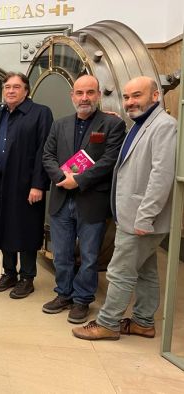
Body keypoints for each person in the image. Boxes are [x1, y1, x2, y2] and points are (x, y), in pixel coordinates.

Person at [73, 76, 177, 340]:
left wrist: (145, 217)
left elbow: (161, 177)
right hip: (134, 216)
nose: (130, 102)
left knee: (119, 271)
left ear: (155, 96)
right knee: (146, 272)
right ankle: (143, 321)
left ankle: (108, 323)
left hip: (140, 219)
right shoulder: (140, 125)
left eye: (137, 96)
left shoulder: (165, 126)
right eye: (127, 97)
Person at [41, 75, 126, 324]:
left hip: (91, 201)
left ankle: (82, 299)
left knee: (89, 256)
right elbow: (47, 155)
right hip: (61, 199)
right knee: (62, 254)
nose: (84, 98)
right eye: (79, 93)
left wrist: (79, 180)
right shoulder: (59, 124)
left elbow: (109, 160)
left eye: (90, 92)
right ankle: (64, 294)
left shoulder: (112, 125)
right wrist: (62, 177)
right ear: (72, 96)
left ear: (98, 95)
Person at [0, 72, 53, 299]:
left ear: (26, 90)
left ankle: (27, 277)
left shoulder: (40, 113)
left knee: (26, 229)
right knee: (4, 227)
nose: (11, 90)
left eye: (16, 87)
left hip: (26, 184)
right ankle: (9, 272)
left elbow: (44, 150)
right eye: (8, 87)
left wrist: (38, 184)